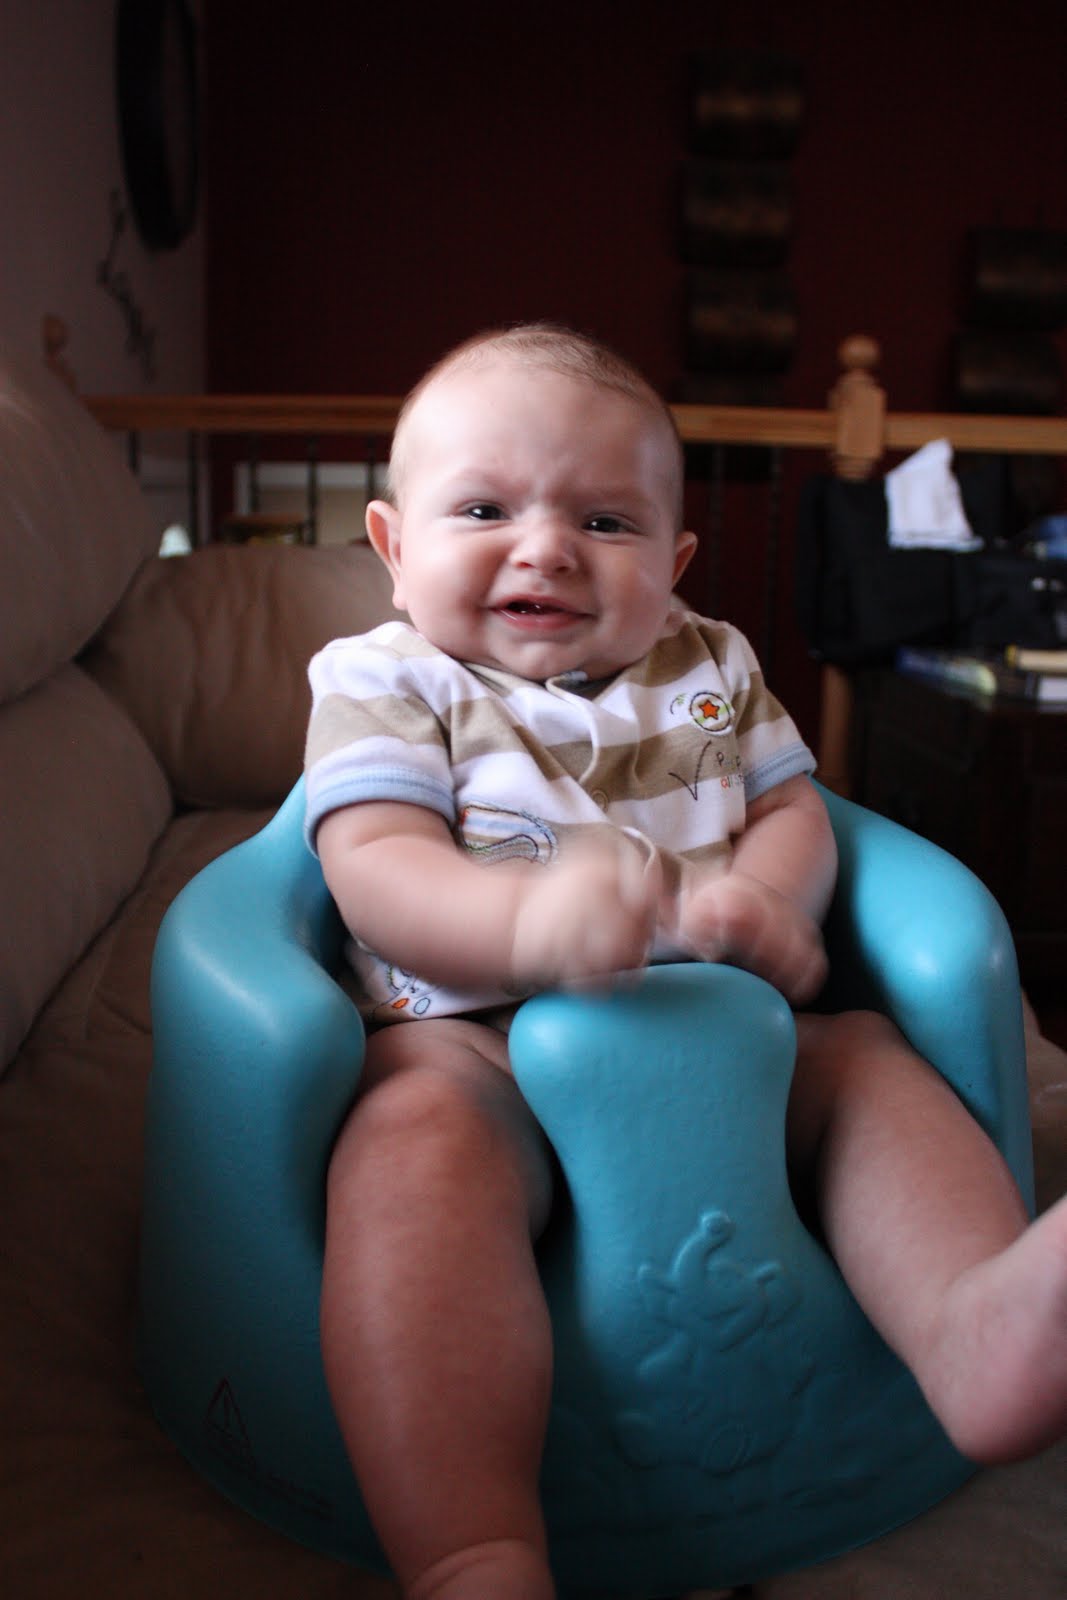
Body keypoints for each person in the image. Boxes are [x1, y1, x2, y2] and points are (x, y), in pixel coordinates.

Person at [304, 323, 1067, 1600]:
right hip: (474, 1042)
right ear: (391, 547)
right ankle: (470, 1542)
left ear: (673, 562)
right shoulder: (388, 680)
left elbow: (792, 810)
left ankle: (973, 1327)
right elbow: (372, 862)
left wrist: (765, 900)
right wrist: (522, 928)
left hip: (727, 1032)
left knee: (866, 1067)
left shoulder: (710, 664)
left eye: (604, 521)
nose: (544, 547)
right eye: (484, 509)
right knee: (404, 1151)